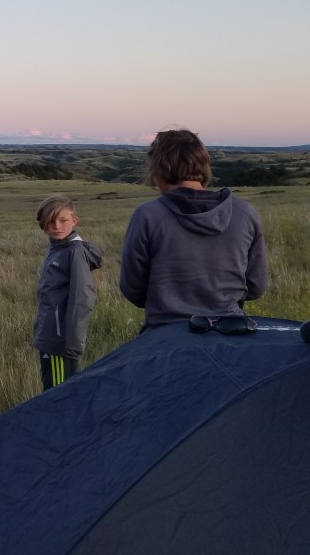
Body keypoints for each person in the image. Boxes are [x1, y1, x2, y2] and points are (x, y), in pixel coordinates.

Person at [119, 128, 269, 329]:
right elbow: (256, 287)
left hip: (165, 335)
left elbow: (132, 289)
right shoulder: (244, 213)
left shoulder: (147, 215)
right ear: (204, 165)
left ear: (158, 168)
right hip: (230, 332)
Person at [33, 194, 102, 390]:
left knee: (58, 393)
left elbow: (82, 299)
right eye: (50, 221)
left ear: (74, 220)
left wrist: (71, 345)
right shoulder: (57, 247)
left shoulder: (74, 252)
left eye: (63, 220)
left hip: (60, 341)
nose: (56, 226)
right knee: (52, 388)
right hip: (49, 335)